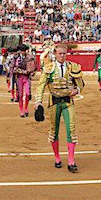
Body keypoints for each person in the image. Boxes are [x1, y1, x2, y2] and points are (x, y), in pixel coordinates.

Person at [34, 43, 85, 173]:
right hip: (54, 101)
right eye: (60, 54)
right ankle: (57, 157)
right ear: (55, 54)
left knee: (71, 129)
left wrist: (77, 90)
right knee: (54, 130)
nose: (62, 56)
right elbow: (41, 85)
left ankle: (71, 160)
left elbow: (80, 84)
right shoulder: (48, 68)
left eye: (64, 54)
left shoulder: (73, 67)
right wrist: (38, 101)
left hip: (68, 101)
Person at [13, 44, 36, 118]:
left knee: (28, 94)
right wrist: (23, 72)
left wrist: (32, 72)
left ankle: (26, 108)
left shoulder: (30, 57)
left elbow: (34, 67)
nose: (22, 52)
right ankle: (21, 110)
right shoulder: (16, 57)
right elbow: (13, 68)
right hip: (19, 78)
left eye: (24, 50)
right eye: (21, 50)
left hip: (27, 78)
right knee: (20, 95)